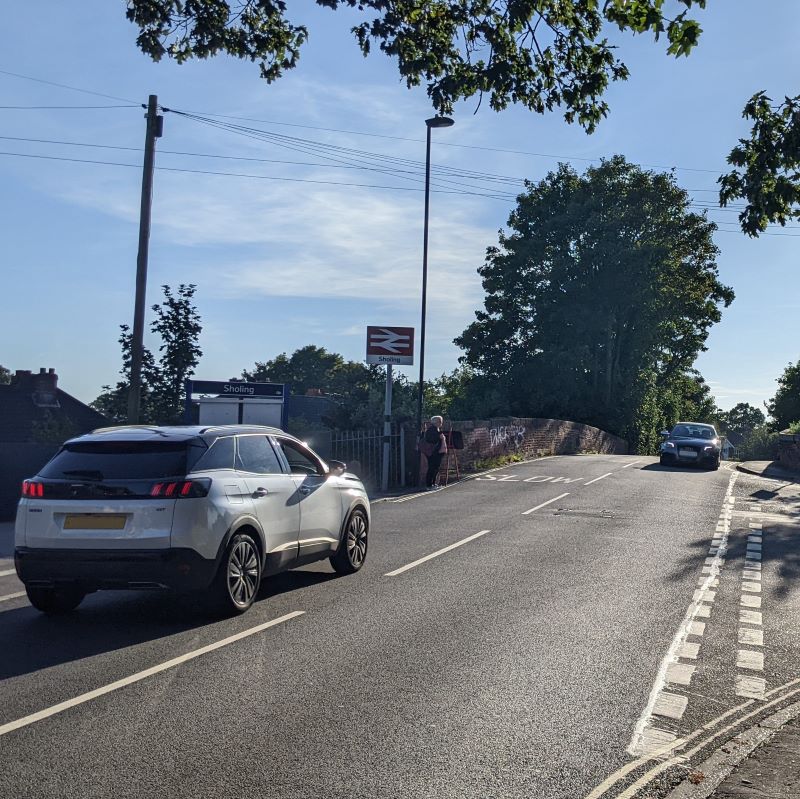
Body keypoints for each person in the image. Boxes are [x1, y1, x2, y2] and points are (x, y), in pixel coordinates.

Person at [419, 415, 447, 489]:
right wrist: (439, 437)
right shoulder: (432, 430)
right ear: (436, 422)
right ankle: (429, 485)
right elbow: (431, 440)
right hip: (433, 452)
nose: (441, 423)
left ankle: (433, 484)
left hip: (436, 452)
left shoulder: (436, 429)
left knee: (436, 468)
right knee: (432, 468)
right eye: (440, 421)